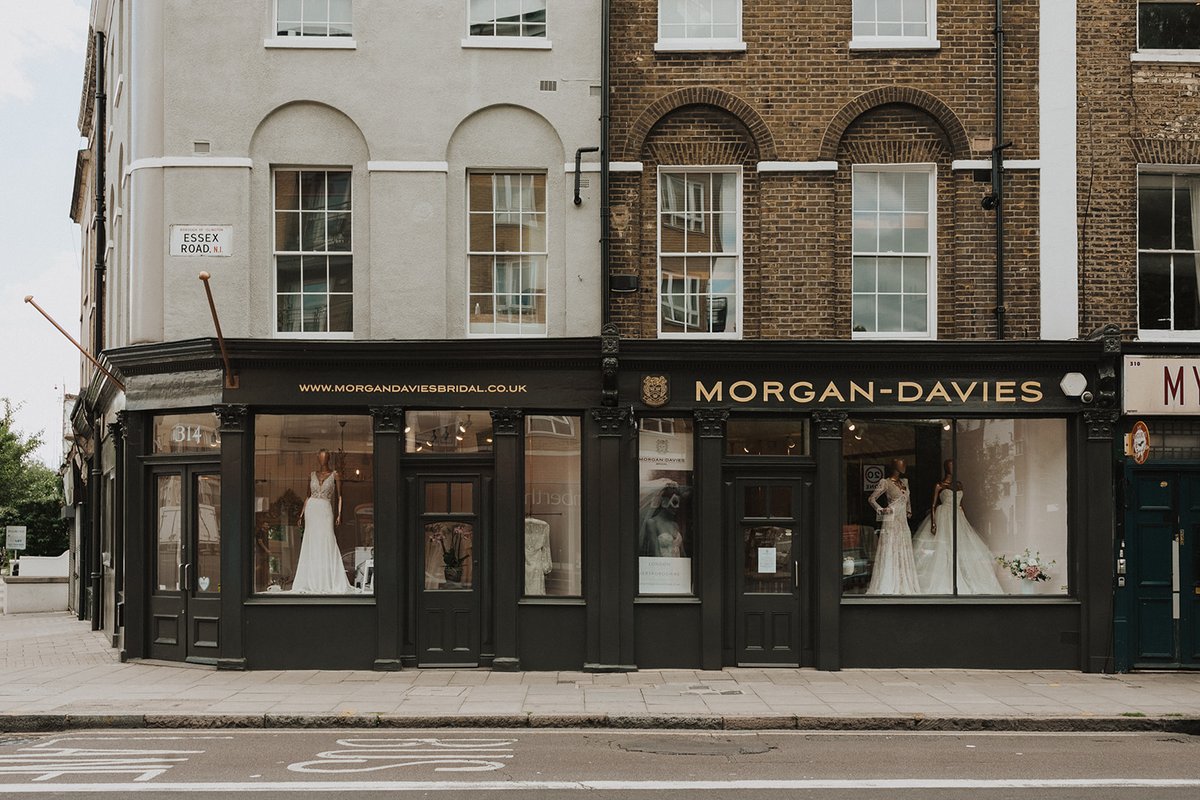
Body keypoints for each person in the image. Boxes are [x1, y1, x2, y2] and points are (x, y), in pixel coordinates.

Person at [912, 459, 1003, 594]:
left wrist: (965, 520)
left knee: (963, 547)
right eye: (950, 466)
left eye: (954, 466)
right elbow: (932, 505)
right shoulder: (939, 485)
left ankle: (966, 580)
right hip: (944, 515)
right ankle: (945, 581)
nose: (953, 468)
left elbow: (961, 505)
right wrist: (933, 522)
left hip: (958, 517)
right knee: (944, 547)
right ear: (945, 468)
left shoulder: (959, 485)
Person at [291, 449, 354, 594]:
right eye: (320, 457)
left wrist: (339, 514)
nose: (322, 460)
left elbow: (340, 497)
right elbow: (307, 496)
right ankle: (310, 579)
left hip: (325, 509)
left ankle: (328, 579)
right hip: (312, 509)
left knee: (327, 540)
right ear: (317, 459)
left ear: (328, 459)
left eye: (325, 457)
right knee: (311, 542)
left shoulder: (335, 475)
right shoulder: (312, 475)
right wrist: (301, 515)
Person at [865, 458, 921, 595]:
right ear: (895, 466)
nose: (905, 466)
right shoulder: (886, 482)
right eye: (902, 464)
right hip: (891, 520)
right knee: (890, 549)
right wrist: (881, 509)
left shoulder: (904, 482)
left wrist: (909, 510)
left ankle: (903, 582)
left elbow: (907, 501)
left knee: (902, 549)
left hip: (903, 522)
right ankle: (889, 582)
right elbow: (871, 499)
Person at [639, 480, 686, 558]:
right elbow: (655, 554)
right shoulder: (652, 523)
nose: (677, 507)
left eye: (679, 503)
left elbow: (683, 554)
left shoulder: (675, 525)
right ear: (664, 501)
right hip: (662, 567)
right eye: (674, 502)